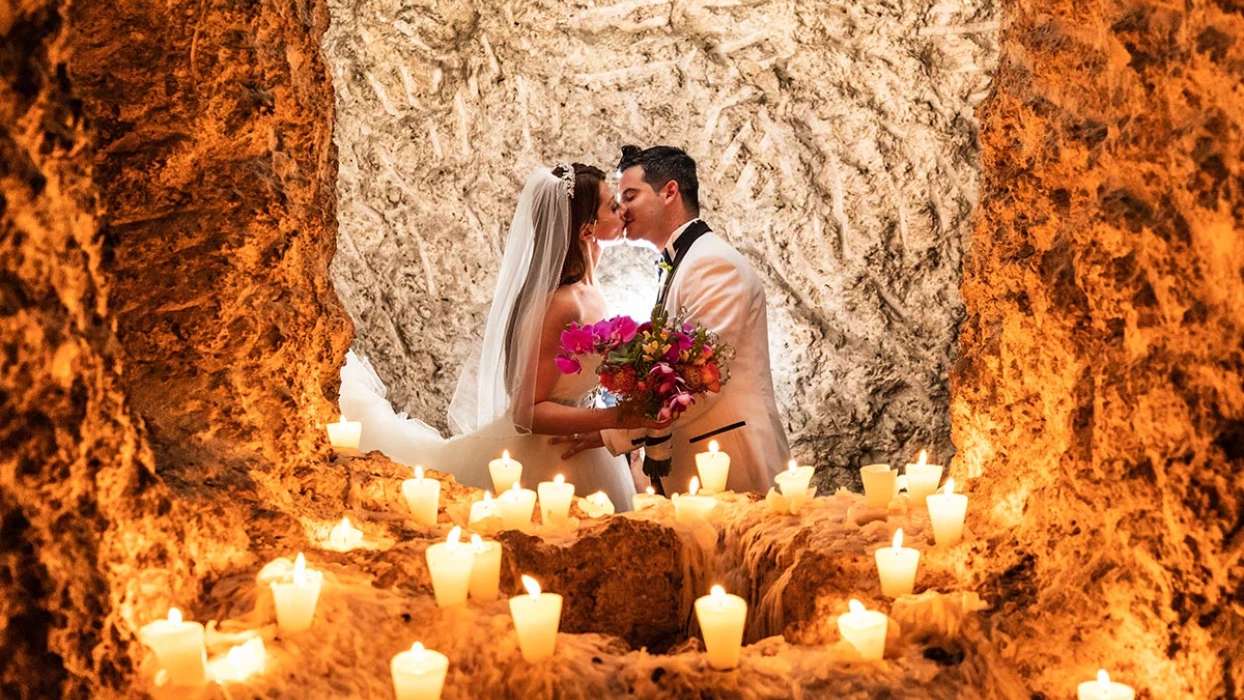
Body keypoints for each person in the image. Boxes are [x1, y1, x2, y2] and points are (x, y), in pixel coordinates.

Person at [340, 163, 661, 509]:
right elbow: (527, 412)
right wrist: (617, 418)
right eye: (612, 206)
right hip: (546, 459)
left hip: (585, 449)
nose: (623, 210)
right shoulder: (563, 304)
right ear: (587, 229)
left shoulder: (590, 284)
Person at [554, 145, 790, 494]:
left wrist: (611, 430)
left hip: (731, 462)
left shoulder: (714, 265)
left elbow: (701, 378)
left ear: (669, 192)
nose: (622, 209)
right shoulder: (684, 262)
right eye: (618, 200)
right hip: (694, 464)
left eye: (630, 195)